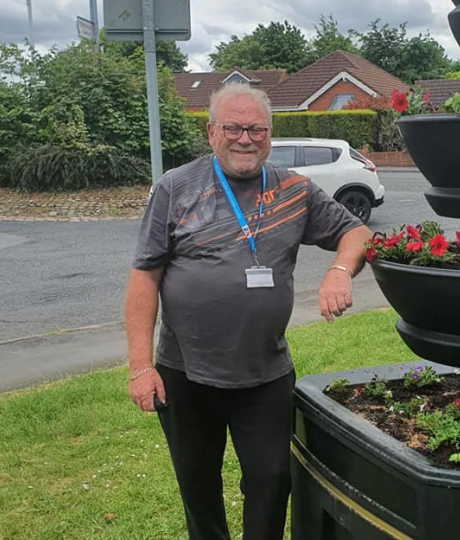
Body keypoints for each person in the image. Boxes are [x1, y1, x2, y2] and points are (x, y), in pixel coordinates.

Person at [124, 84, 371, 540]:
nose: (245, 138)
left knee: (273, 479)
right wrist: (141, 367)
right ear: (211, 132)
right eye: (234, 127)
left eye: (256, 129)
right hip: (185, 371)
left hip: (266, 373)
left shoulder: (294, 190)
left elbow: (355, 232)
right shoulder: (175, 187)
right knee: (197, 484)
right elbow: (145, 278)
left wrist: (339, 271)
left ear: (270, 135)